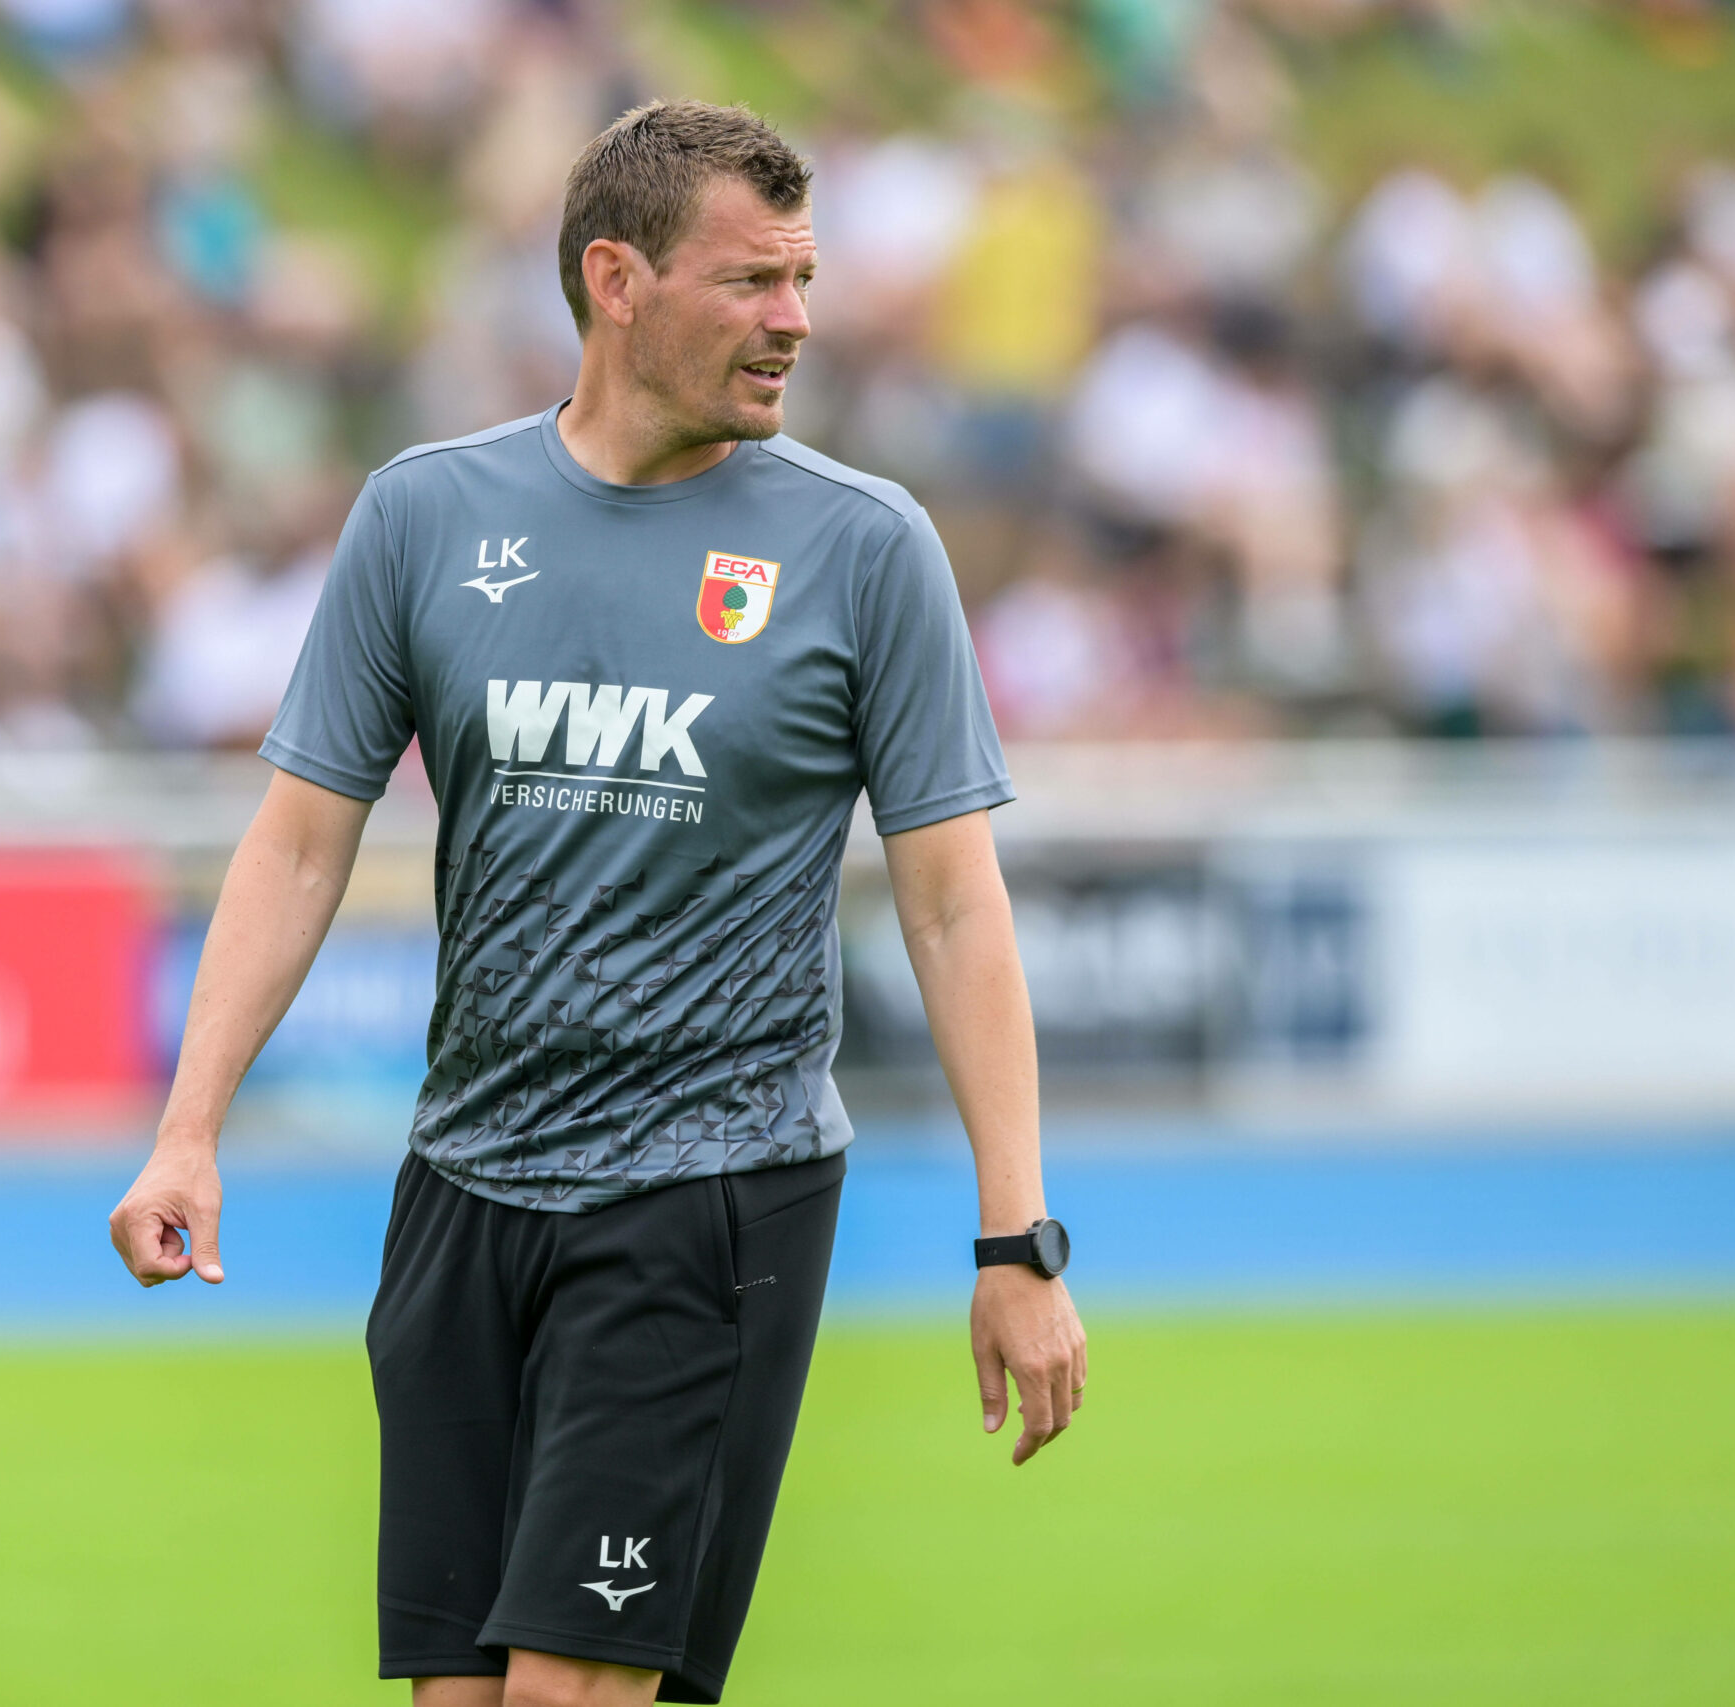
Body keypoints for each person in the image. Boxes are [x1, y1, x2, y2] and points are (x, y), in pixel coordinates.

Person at [110, 101, 1086, 1706]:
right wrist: (188, 1123)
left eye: (805, 276)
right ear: (615, 281)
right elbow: (297, 844)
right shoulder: (426, 514)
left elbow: (956, 910)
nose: (796, 319)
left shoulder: (866, 547)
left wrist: (1016, 1236)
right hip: (463, 1186)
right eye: (751, 280)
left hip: (706, 1195)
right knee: (466, 1696)